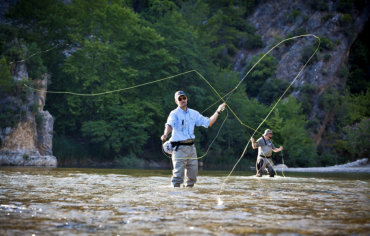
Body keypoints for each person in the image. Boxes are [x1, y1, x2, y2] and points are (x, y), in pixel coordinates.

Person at [161, 91, 226, 187]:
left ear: (186, 98)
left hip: (192, 148)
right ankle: (175, 199)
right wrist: (165, 134)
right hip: (179, 149)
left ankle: (189, 199)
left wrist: (218, 110)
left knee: (192, 177)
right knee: (178, 177)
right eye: (180, 99)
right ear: (176, 101)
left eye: (184, 98)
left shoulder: (194, 113)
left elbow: (209, 123)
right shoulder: (174, 113)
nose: (183, 100)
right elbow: (169, 125)